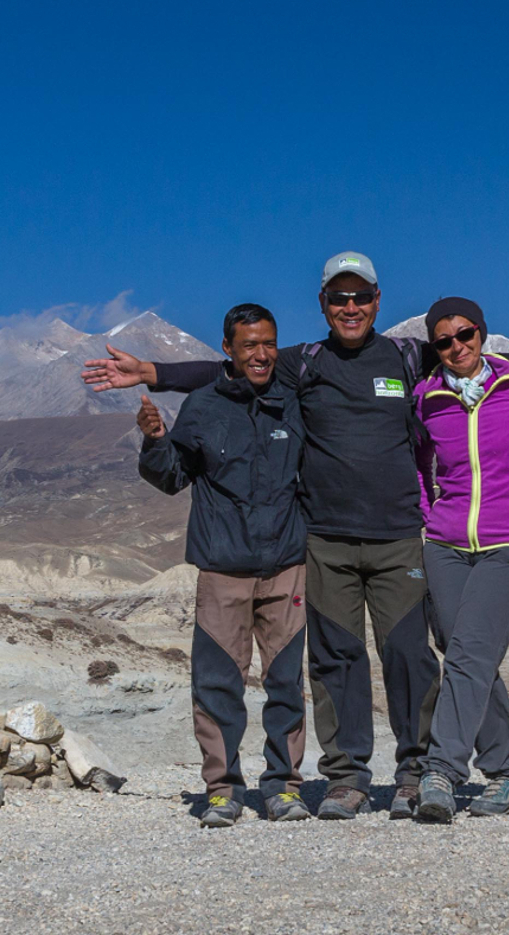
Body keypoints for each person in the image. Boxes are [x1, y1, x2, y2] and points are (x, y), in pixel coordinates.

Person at [89, 251, 439, 820]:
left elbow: (481, 360)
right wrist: (155, 402)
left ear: (378, 300)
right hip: (273, 554)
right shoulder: (263, 383)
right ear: (322, 304)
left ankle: (364, 777)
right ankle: (278, 783)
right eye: (338, 298)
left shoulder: (385, 362)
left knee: (361, 666)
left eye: (360, 297)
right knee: (281, 671)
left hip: (341, 547)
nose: (350, 307)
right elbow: (210, 408)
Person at [137, 303, 310, 827]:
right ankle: (222, 788)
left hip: (286, 564)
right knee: (217, 683)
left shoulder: (293, 402)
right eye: (249, 345)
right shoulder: (203, 406)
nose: (261, 355)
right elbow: (172, 477)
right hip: (221, 567)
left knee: (285, 681)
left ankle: (283, 786)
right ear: (227, 351)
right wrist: (154, 440)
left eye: (269, 343)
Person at [407, 297, 509, 824]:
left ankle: (441, 770)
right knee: (461, 650)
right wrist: (432, 514)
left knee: (468, 652)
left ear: (482, 333)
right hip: (446, 544)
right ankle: (508, 775)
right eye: (443, 341)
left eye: (465, 334)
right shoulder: (428, 397)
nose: (457, 347)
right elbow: (422, 464)